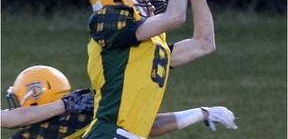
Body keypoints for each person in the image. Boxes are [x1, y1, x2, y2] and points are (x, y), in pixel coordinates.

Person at [83, 0, 237, 139]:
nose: (149, 2)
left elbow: (204, 43)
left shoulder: (149, 45)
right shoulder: (107, 24)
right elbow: (175, 17)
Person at [2, 66, 237, 138]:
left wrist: (201, 113)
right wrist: (201, 113)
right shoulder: (86, 114)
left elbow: (10, 119)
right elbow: (148, 126)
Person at [3, 65, 94, 138]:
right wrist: (65, 104)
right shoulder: (87, 119)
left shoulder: (28, 135)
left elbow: (12, 118)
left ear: (34, 103)